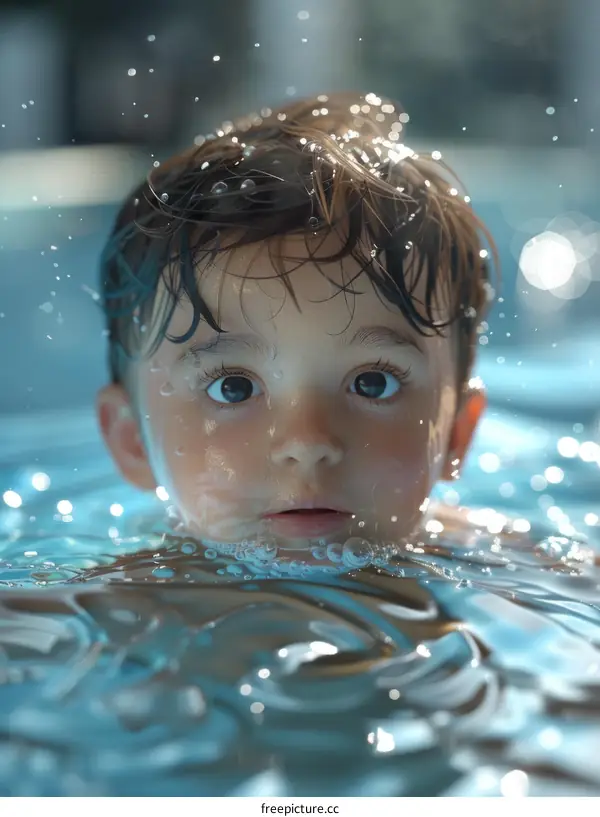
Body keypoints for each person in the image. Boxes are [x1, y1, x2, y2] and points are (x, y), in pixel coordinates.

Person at [96, 91, 497, 570]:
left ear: (456, 431)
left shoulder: (508, 576)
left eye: (374, 382)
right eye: (233, 387)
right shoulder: (121, 606)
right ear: (132, 441)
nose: (307, 444)